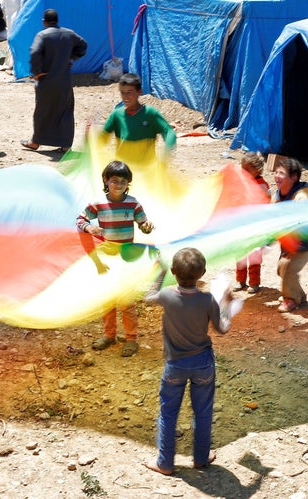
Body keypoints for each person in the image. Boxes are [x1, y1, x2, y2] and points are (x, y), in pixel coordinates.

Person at [144, 247, 232, 475]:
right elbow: (222, 329)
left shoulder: (167, 295)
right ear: (202, 273)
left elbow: (147, 296)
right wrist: (226, 308)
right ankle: (201, 458)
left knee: (168, 413)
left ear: (174, 271)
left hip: (175, 365)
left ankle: (165, 463)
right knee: (203, 412)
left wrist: (159, 272)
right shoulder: (206, 299)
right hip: (203, 363)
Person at [76, 161, 154, 357]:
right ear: (106, 180)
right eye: (114, 181)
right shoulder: (98, 204)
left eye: (123, 181)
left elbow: (143, 222)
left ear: (128, 183)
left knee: (126, 301)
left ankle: (131, 338)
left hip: (126, 260)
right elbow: (80, 220)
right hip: (107, 259)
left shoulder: (133, 203)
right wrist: (89, 227)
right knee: (108, 299)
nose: (119, 185)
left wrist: (146, 226)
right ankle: (110, 335)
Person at [21, 9, 87, 153]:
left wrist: (37, 73)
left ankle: (35, 142)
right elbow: (83, 46)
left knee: (42, 111)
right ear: (57, 20)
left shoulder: (42, 35)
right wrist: (71, 57)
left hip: (46, 80)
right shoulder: (69, 34)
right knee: (66, 111)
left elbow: (34, 52)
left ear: (44, 21)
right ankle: (66, 145)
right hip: (64, 80)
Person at [272, 158, 308, 313]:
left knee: (288, 269)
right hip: (288, 240)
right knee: (281, 269)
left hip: (306, 240)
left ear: (293, 178)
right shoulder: (278, 195)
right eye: (276, 172)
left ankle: (292, 299)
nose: (277, 176)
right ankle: (298, 294)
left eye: (282, 173)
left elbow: (301, 217)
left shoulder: (301, 198)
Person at [99, 73, 176, 162]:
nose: (125, 97)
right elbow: (102, 138)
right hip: (124, 170)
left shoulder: (150, 114)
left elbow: (168, 132)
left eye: (129, 92)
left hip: (146, 169)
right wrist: (90, 139)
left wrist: (166, 154)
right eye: (122, 92)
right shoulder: (116, 115)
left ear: (139, 92)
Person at [233, 152, 271, 294]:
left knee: (254, 255)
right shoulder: (240, 183)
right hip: (240, 226)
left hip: (256, 228)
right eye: (242, 169)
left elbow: (266, 206)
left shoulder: (262, 186)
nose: (243, 172)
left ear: (258, 170)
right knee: (240, 254)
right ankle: (240, 280)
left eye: (247, 170)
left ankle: (254, 282)